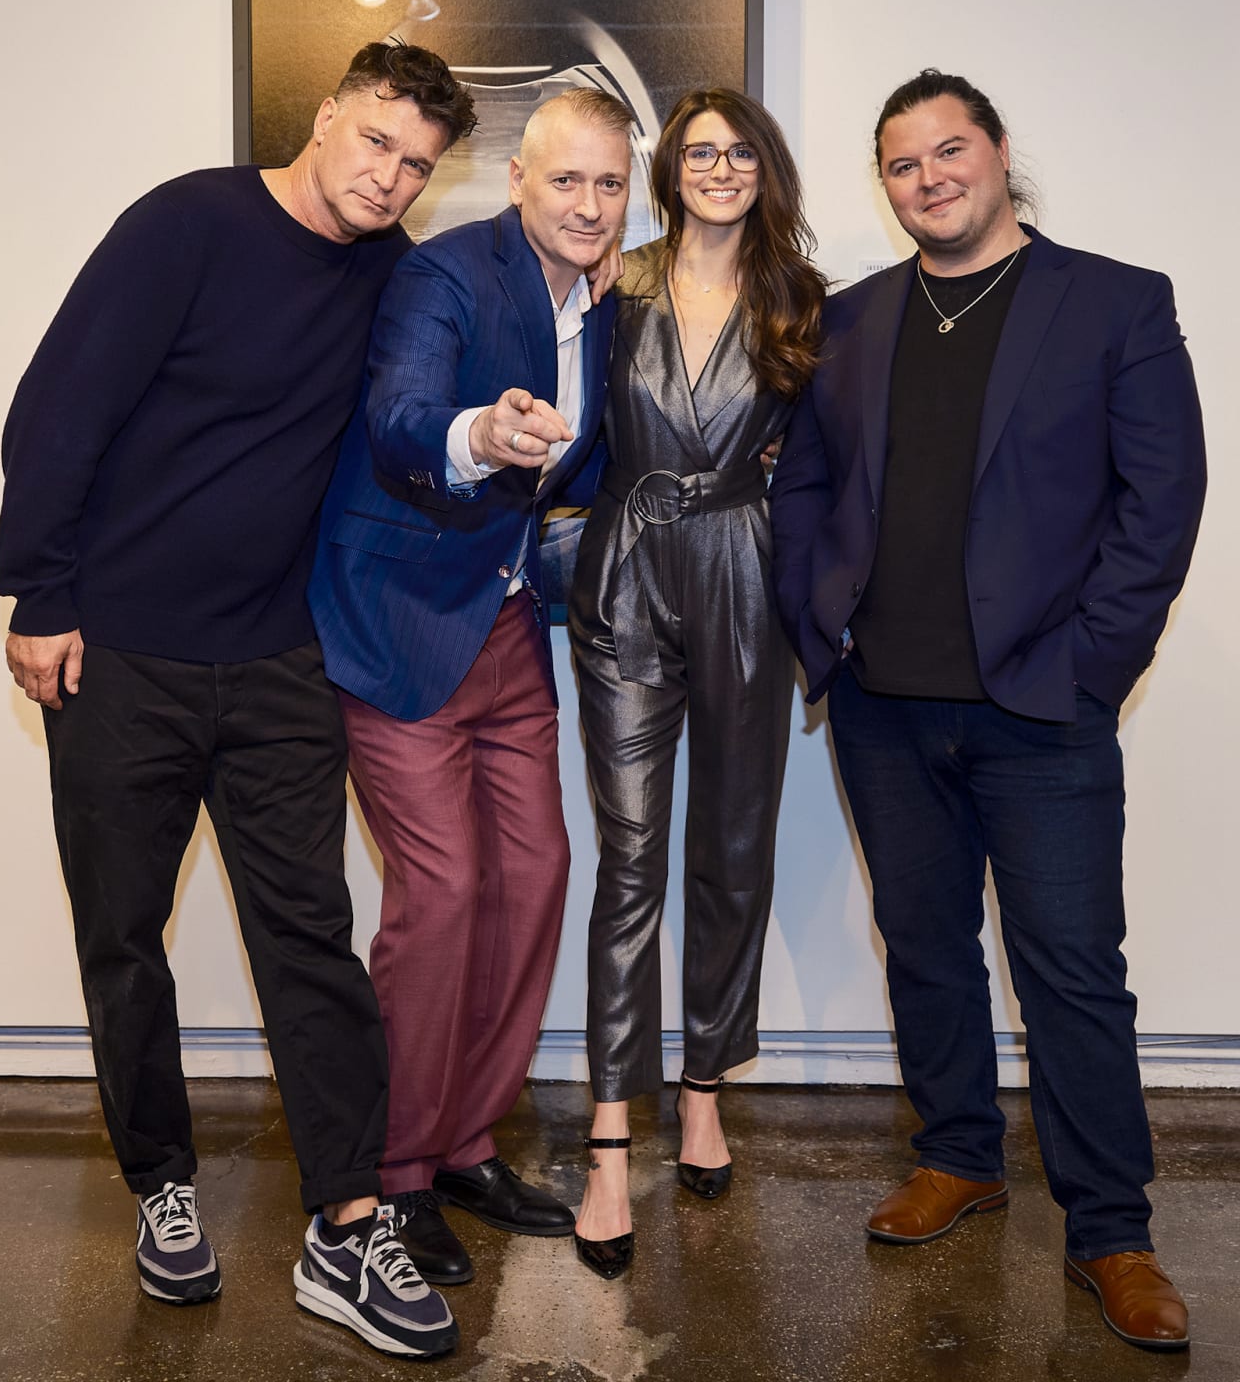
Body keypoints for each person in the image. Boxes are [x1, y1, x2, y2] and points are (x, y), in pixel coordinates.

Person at [0, 40, 477, 1360]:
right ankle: (161, 1184)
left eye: (418, 166)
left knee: (310, 940)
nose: (391, 178)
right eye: (377, 142)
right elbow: (56, 410)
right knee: (123, 936)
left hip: (276, 660)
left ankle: (347, 1221)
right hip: (119, 656)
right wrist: (37, 592)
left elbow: (420, 408)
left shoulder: (388, 274)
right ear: (325, 120)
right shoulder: (186, 224)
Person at [769, 69, 1206, 1352]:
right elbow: (804, 487)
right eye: (901, 164)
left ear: (999, 152)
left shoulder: (1114, 302)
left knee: (1069, 972)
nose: (927, 178)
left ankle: (1109, 1231)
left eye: (947, 150)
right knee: (923, 946)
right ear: (884, 184)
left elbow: (1160, 502)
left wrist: (1088, 666)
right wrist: (819, 626)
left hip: (1038, 709)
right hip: (882, 706)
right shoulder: (851, 320)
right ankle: (956, 1153)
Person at [307, 87, 634, 1288]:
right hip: (395, 625)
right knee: (438, 898)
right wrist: (475, 436)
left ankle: (464, 1139)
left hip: (505, 627)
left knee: (537, 874)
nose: (589, 205)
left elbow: (594, 463)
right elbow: (399, 416)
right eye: (566, 182)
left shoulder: (600, 305)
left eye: (609, 185)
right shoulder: (442, 277)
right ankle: (392, 1173)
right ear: (516, 182)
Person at [567, 88, 827, 1278]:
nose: (717, 169)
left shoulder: (801, 299)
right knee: (628, 858)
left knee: (730, 841)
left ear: (762, 170)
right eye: (696, 152)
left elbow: (833, 453)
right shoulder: (608, 284)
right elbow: (566, 429)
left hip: (740, 563)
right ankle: (610, 1141)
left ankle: (705, 1084)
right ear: (666, 170)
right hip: (622, 565)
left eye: (737, 152)